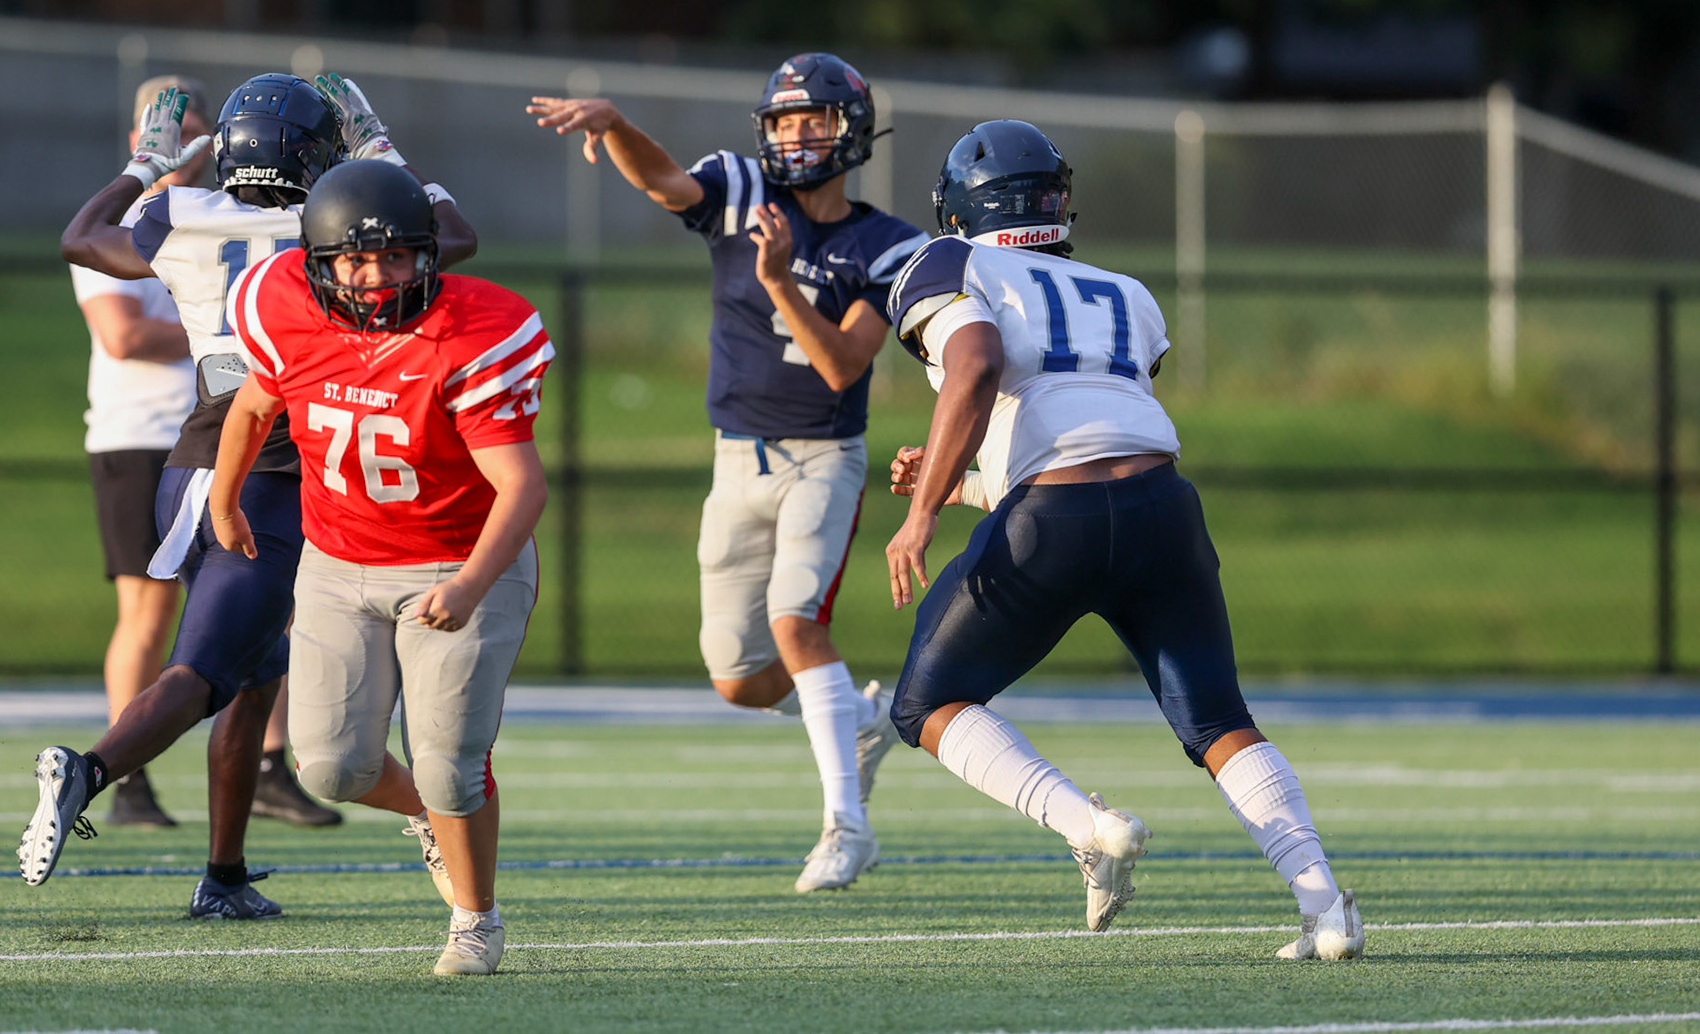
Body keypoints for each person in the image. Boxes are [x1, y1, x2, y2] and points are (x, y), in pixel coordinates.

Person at [881, 119, 1364, 960]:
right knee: (1217, 719)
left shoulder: (949, 262)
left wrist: (922, 509)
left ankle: (1088, 825)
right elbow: (1092, 431)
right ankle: (1326, 909)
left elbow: (977, 366)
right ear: (1057, 202)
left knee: (926, 705)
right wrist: (956, 481)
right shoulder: (1124, 291)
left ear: (958, 209)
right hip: (1161, 509)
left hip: (1054, 522)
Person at [24, 73, 478, 919]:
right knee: (202, 672)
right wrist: (380, 147)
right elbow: (453, 237)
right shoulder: (331, 227)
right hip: (269, 476)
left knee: (255, 674)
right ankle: (89, 770)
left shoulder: (183, 213)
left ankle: (224, 877)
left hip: (190, 463)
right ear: (317, 153)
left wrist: (144, 163)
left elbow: (83, 237)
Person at [528, 53, 929, 892]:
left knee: (795, 624)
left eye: (811, 119)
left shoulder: (889, 242)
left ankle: (846, 827)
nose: (794, 135)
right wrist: (613, 123)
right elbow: (666, 182)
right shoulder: (743, 190)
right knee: (738, 677)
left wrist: (780, 282)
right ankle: (856, 719)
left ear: (847, 129)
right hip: (734, 458)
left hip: (822, 457)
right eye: (782, 121)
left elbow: (843, 368)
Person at [211, 159, 551, 976]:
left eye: (396, 257)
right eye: (356, 260)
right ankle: (430, 821)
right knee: (330, 765)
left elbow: (522, 484)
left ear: (428, 256)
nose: (375, 276)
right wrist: (224, 499)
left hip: (462, 559)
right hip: (338, 561)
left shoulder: (472, 334)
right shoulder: (282, 306)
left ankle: (476, 919)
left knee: (449, 763)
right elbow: (256, 403)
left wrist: (469, 585)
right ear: (317, 262)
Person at [68, 74, 204, 829]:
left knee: (269, 606)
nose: (180, 143)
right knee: (147, 614)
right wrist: (223, 328)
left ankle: (268, 764)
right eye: (163, 128)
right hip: (139, 438)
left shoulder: (221, 216)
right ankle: (128, 781)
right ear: (137, 140)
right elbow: (122, 337)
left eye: (191, 128)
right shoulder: (115, 220)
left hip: (215, 436)